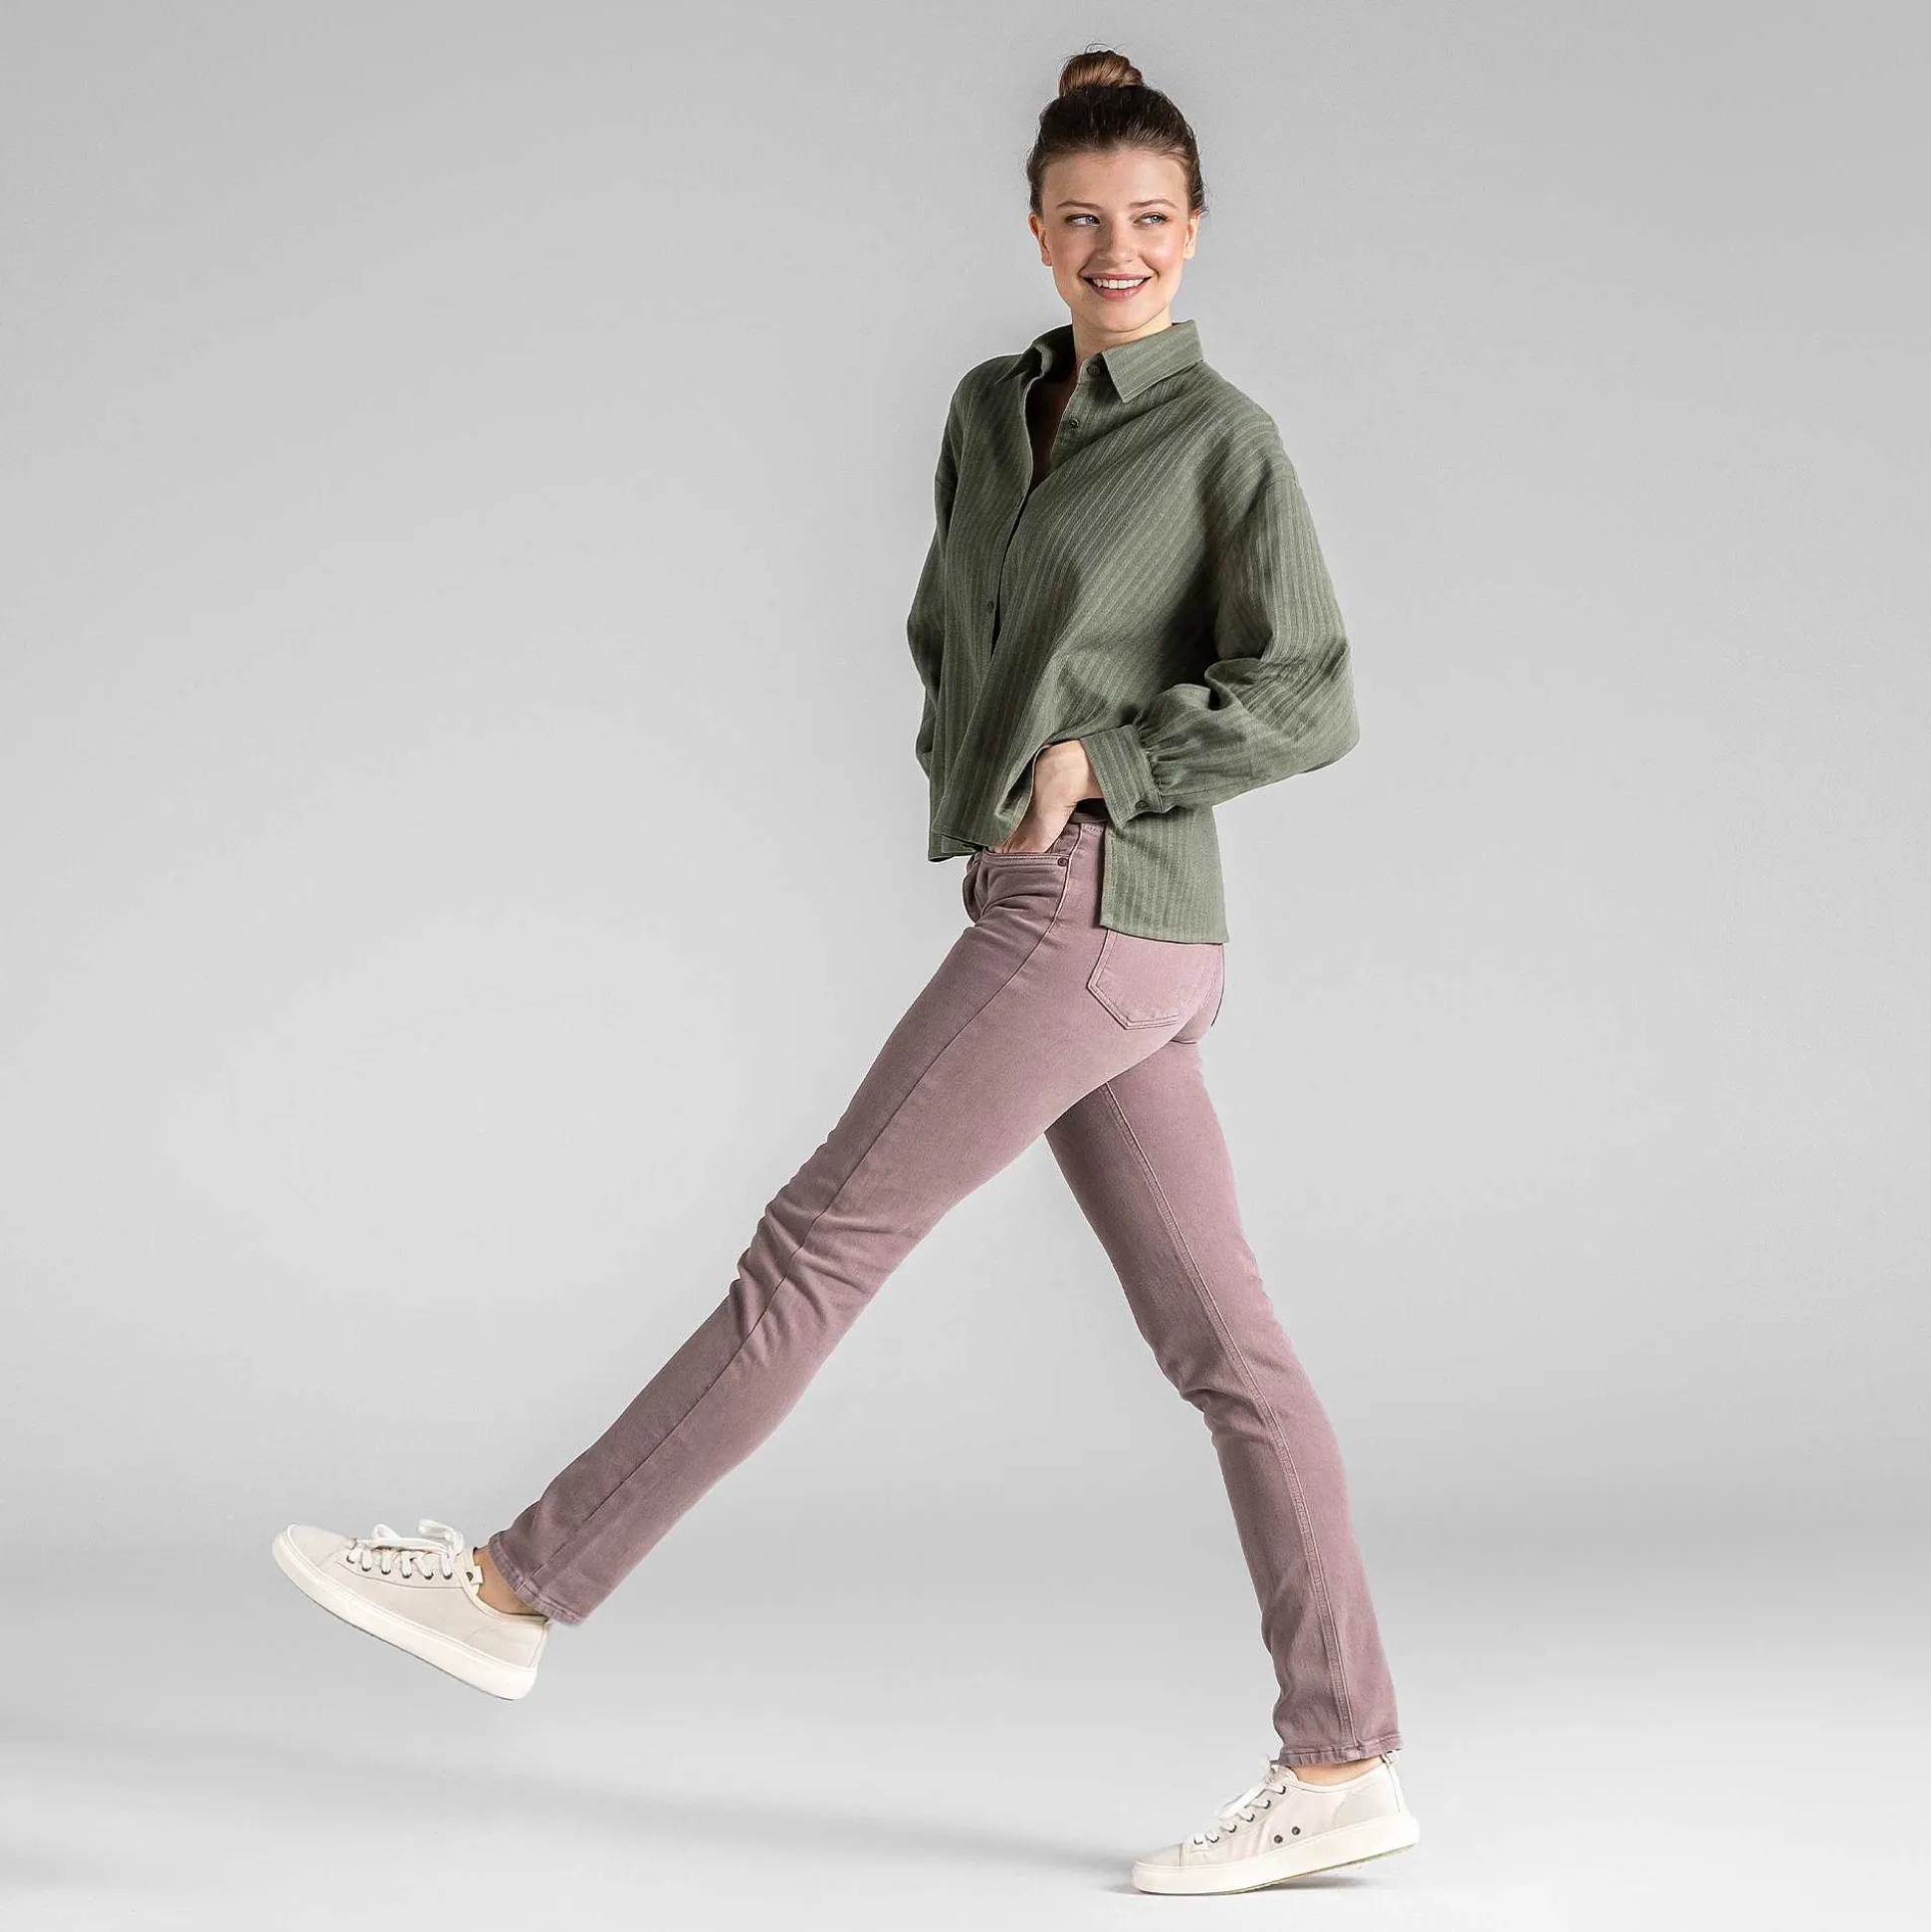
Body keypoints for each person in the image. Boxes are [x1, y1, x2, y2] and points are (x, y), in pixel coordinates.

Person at [272, 47, 1418, 1896]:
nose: (1116, 251)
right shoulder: (988, 409)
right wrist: (981, 779)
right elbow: (953, 621)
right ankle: (1344, 1759)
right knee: (1230, 1353)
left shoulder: (1225, 441)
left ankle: (515, 1588)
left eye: (1149, 219)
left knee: (816, 1249)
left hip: (1104, 908)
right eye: (1082, 221)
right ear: (1035, 231)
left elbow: (1312, 692)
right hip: (1066, 911)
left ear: (1197, 229)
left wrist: (1097, 765)